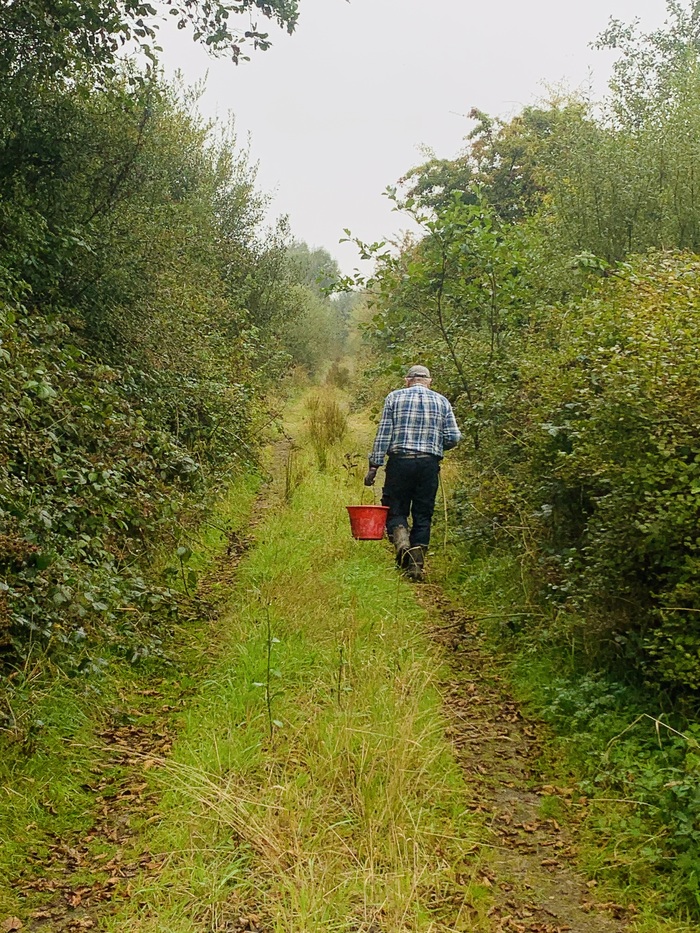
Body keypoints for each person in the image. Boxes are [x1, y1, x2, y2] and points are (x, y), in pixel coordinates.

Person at [364, 364, 461, 581]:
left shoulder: (394, 398)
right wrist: (434, 447)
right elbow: (454, 437)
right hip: (428, 464)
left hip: (400, 463)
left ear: (407, 380)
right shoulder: (442, 401)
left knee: (395, 507)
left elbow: (384, 434)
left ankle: (402, 544)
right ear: (429, 381)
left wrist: (374, 466)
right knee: (423, 512)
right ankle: (416, 564)